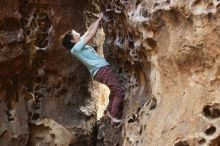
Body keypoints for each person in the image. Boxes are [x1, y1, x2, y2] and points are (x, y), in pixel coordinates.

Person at [60, 12, 124, 124]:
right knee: (119, 92)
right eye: (75, 34)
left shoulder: (79, 43)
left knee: (114, 91)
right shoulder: (76, 48)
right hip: (101, 70)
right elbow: (91, 35)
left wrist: (98, 19)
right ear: (72, 40)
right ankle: (114, 117)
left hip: (101, 70)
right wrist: (99, 21)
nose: (78, 33)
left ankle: (109, 112)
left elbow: (89, 30)